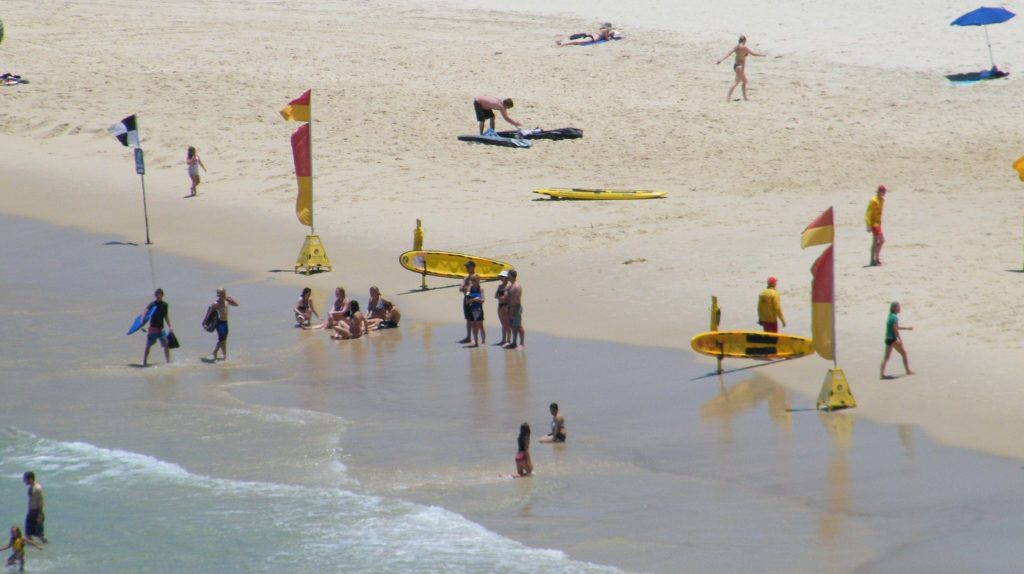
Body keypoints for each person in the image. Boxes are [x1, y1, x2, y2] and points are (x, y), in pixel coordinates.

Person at [716, 35, 765, 101]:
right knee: (738, 82)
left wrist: (721, 60)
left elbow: (728, 54)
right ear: (744, 41)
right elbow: (753, 54)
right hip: (740, 66)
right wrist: (762, 55)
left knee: (743, 81)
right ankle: (728, 97)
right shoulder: (744, 47)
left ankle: (744, 97)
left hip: (736, 66)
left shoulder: (736, 47)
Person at [881, 301, 914, 379]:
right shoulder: (895, 317)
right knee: (904, 353)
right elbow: (895, 329)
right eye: (898, 307)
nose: (900, 308)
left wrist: (907, 328)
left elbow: (895, 327)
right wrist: (900, 340)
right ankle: (908, 371)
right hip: (893, 339)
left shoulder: (890, 316)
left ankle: (882, 374)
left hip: (888, 338)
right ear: (895, 308)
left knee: (886, 357)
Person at [142, 288, 174, 366]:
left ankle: (168, 362)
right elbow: (145, 311)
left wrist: (170, 326)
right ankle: (144, 361)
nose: (159, 296)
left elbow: (166, 316)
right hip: (152, 330)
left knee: (166, 345)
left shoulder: (165, 305)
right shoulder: (152, 304)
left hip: (161, 330)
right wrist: (142, 321)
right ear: (155, 295)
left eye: (160, 294)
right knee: (148, 346)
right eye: (157, 294)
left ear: (162, 295)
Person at [207, 287, 239, 361]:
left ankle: (224, 355)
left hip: (225, 322)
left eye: (223, 293)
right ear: (218, 295)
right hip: (219, 323)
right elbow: (209, 313)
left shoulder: (227, 300)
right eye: (220, 294)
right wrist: (206, 323)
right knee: (222, 339)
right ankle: (214, 352)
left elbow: (236, 305)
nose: (222, 295)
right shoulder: (215, 303)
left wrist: (232, 300)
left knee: (224, 339)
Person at [457, 262, 479, 344]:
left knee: (475, 320)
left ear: (473, 267)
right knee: (468, 319)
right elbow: (461, 288)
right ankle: (468, 337)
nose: (467, 268)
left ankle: (476, 338)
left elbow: (472, 288)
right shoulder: (466, 277)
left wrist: (465, 288)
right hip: (466, 299)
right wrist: (466, 288)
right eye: (466, 267)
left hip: (473, 300)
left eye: (468, 267)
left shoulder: (476, 276)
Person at [21, 472, 46, 544]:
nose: (24, 481)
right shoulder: (31, 487)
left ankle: (46, 546)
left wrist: (40, 515)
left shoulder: (37, 488)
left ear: (30, 479)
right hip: (31, 512)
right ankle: (34, 550)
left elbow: (41, 501)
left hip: (37, 512)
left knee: (40, 535)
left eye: (25, 479)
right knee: (28, 534)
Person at [866, 184, 887, 266]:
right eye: (883, 191)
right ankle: (872, 259)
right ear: (879, 192)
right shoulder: (873, 200)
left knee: (879, 241)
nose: (884, 193)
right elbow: (868, 213)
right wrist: (868, 225)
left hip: (878, 223)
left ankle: (876, 258)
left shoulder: (882, 200)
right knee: (879, 240)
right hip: (874, 224)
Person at [503, 269, 525, 349]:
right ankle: (514, 342)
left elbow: (515, 299)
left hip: (516, 307)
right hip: (510, 307)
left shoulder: (516, 286)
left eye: (508, 275)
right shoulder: (510, 285)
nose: (507, 277)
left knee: (518, 326)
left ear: (511, 276)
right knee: (513, 326)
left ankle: (522, 343)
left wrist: (512, 308)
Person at [467, 277, 485, 347]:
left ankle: (483, 342)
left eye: (475, 280)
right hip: (471, 309)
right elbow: (467, 300)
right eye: (472, 281)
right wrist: (475, 299)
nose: (473, 282)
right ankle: (476, 342)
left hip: (478, 309)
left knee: (480, 326)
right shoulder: (469, 289)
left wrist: (478, 300)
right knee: (473, 326)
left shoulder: (481, 289)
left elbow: (483, 300)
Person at [495, 270, 511, 346]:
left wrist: (500, 297)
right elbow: (495, 296)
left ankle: (508, 339)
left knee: (507, 324)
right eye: (500, 277)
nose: (501, 278)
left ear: (506, 278)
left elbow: (505, 297)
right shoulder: (500, 286)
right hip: (500, 306)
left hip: (506, 306)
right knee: (503, 323)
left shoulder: (508, 286)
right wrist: (500, 297)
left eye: (502, 277)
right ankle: (503, 339)